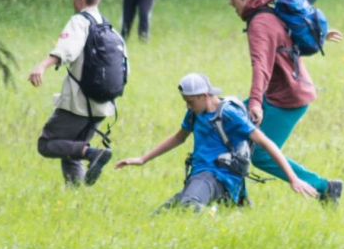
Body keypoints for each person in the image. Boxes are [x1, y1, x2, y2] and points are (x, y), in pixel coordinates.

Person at [115, 73, 318, 212]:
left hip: (216, 175)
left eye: (190, 102)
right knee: (162, 216)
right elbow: (179, 137)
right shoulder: (194, 113)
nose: (188, 106)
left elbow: (266, 142)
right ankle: (225, 209)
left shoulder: (228, 114)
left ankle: (212, 215)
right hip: (199, 175)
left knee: (189, 206)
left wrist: (293, 178)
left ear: (204, 96)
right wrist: (143, 159)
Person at [226, 0, 344, 203]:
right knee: (228, 128)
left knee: (261, 155)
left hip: (287, 99)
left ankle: (325, 187)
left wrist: (255, 102)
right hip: (280, 92)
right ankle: (237, 199)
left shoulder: (260, 22)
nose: (230, 3)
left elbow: (261, 65)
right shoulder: (269, 9)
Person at [28, 0, 126, 186]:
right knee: (72, 150)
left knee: (46, 144)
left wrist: (42, 65)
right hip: (104, 104)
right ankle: (77, 195)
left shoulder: (79, 22)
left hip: (78, 103)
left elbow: (67, 50)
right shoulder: (112, 30)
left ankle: (94, 154)